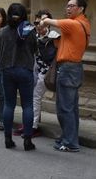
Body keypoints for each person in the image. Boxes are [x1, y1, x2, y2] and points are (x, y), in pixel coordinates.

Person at [39, 0, 91, 152]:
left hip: (68, 69)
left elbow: (52, 22)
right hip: (73, 68)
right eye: (67, 6)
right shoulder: (83, 24)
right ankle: (69, 138)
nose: (68, 9)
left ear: (81, 9)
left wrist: (44, 20)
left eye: (72, 6)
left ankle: (70, 142)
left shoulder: (74, 24)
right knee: (71, 107)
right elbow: (60, 43)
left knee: (64, 108)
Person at [0, 3, 37, 151]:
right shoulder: (30, 31)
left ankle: (8, 139)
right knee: (27, 105)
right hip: (25, 70)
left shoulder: (2, 32)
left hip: (7, 70)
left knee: (9, 105)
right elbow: (34, 49)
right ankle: (27, 140)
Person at [15, 10, 61, 138]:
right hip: (35, 71)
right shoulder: (32, 35)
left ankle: (33, 126)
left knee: (40, 98)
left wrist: (42, 41)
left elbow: (53, 55)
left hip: (48, 73)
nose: (39, 25)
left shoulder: (54, 36)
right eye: (37, 22)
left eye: (43, 22)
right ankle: (30, 124)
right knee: (33, 97)